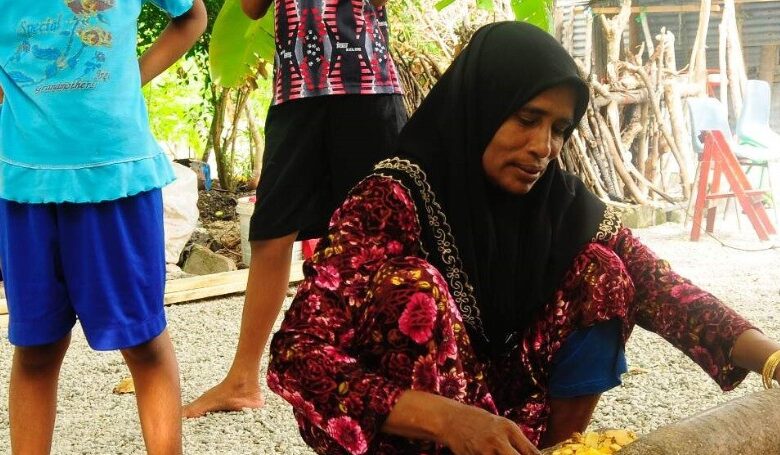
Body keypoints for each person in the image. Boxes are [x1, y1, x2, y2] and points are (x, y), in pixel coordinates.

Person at [265, 22, 780, 455]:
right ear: (481, 107)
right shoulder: (389, 199)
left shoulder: (558, 202)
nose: (544, 148)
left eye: (559, 129)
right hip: (401, 428)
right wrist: (446, 420)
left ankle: (558, 449)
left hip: (505, 420)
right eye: (527, 119)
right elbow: (297, 355)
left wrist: (773, 359)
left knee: (604, 271)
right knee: (413, 288)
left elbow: (663, 288)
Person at [0, 1, 206, 453]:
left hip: (119, 180)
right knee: (35, 349)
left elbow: (192, 16)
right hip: (24, 186)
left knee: (144, 343)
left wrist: (132, 77)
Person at [183, 0, 407, 417]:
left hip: (367, 87)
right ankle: (242, 380)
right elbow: (251, 9)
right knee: (269, 232)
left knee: (380, 236)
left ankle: (393, 372)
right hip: (295, 92)